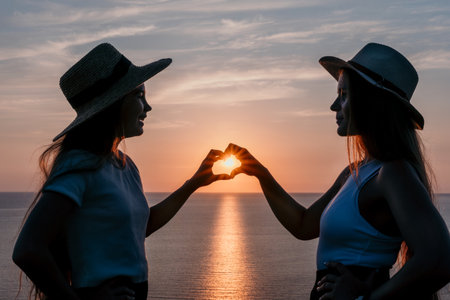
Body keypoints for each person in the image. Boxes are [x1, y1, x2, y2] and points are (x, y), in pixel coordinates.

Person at [224, 43, 450, 299]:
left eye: (343, 95)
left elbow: (441, 259)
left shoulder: (392, 173)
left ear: (371, 102)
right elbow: (304, 225)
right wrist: (260, 173)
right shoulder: (356, 172)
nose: (334, 106)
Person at [12, 43, 230, 300]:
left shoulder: (125, 165)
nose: (148, 107)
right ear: (113, 104)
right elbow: (27, 250)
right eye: (139, 95)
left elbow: (140, 226)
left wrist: (192, 184)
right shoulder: (79, 164)